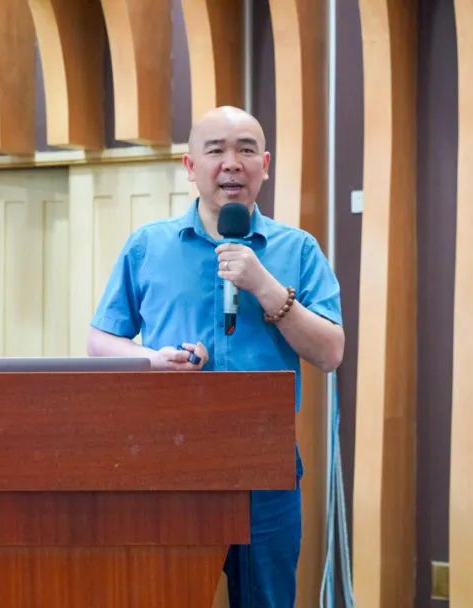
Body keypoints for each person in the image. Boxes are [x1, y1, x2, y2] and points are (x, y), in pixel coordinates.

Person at [87, 106, 344, 607]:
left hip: (264, 465)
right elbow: (100, 340)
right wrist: (151, 360)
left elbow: (331, 351)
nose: (232, 163)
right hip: (168, 460)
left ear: (264, 165)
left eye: (246, 150)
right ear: (190, 166)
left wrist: (266, 287)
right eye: (216, 150)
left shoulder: (298, 250)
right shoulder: (148, 245)